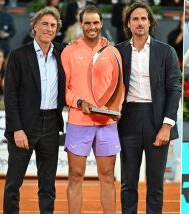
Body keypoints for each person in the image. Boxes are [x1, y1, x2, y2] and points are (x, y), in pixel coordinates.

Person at [115, 2, 181, 213]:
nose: (140, 22)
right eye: (135, 18)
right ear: (128, 23)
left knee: (155, 184)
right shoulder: (117, 52)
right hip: (129, 119)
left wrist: (166, 125)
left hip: (157, 119)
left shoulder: (166, 51)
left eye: (144, 18)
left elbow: (174, 89)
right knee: (128, 182)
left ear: (150, 23)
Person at [61, 5, 123, 214]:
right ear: (81, 24)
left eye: (95, 22)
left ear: (101, 23)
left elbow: (119, 86)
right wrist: (79, 103)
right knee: (75, 175)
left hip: (107, 124)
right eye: (87, 23)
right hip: (79, 122)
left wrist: (116, 108)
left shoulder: (112, 51)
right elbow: (65, 89)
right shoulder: (69, 51)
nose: (92, 27)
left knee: (107, 175)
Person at [3, 7, 65, 213]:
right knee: (14, 182)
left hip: (51, 125)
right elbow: (10, 96)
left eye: (53, 25)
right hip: (25, 126)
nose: (49, 28)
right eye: (45, 24)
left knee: (47, 184)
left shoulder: (61, 52)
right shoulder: (18, 55)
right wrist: (16, 129)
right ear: (34, 26)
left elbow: (83, 49)